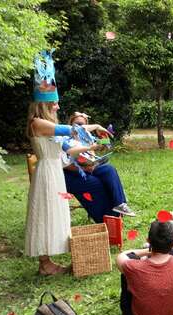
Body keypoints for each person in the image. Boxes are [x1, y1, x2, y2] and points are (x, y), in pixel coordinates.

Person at [25, 50, 110, 275]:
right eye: (55, 104)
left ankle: (47, 262)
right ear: (45, 105)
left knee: (53, 212)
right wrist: (92, 128)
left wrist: (91, 147)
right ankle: (45, 263)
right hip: (46, 173)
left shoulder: (47, 125)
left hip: (54, 172)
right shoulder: (38, 123)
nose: (58, 107)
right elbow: (72, 130)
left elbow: (68, 146)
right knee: (45, 213)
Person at [62, 112, 135, 222]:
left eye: (83, 125)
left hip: (91, 166)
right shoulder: (65, 138)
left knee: (109, 170)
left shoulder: (87, 137)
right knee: (97, 184)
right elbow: (65, 164)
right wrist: (84, 167)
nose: (80, 127)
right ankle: (105, 219)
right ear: (70, 124)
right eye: (77, 124)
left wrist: (105, 139)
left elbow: (104, 143)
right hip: (74, 171)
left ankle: (120, 204)